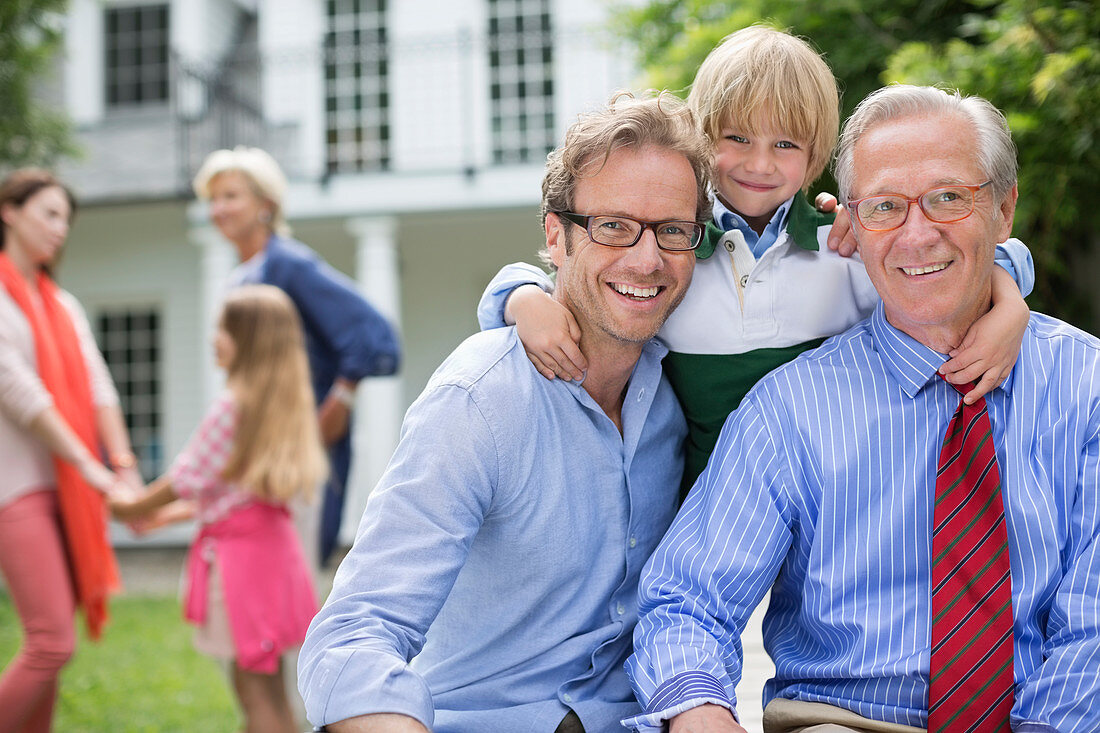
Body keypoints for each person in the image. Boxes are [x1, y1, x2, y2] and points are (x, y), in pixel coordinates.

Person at [625, 84, 1100, 733]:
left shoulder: (1087, 385)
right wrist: (701, 711)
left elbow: (1093, 622)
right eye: (884, 206)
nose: (917, 233)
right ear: (850, 222)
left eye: (948, 198)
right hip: (844, 721)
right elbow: (686, 602)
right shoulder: (789, 409)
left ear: (1003, 207)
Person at [297, 93, 712, 733]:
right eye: (613, 226)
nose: (646, 257)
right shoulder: (479, 400)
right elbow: (358, 628)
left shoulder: (675, 392)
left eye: (672, 231)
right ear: (556, 234)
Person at [477, 26, 1034, 494]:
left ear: (815, 152)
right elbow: (571, 280)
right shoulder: (669, 253)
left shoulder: (846, 242)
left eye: (785, 145)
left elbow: (971, 255)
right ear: (701, 137)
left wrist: (1009, 309)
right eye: (736, 138)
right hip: (704, 525)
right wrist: (523, 299)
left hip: (837, 517)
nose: (759, 163)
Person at [110, 284, 327, 733]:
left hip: (244, 569)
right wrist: (160, 520)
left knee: (254, 695)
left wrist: (131, 506)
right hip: (273, 556)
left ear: (248, 338)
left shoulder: (232, 407)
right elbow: (231, 496)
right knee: (271, 692)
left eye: (222, 329)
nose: (214, 339)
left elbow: (186, 479)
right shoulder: (279, 407)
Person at [192, 147, 400, 566]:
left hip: (305, 445)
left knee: (294, 571)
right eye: (213, 199)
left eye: (231, 196)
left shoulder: (288, 265)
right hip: (265, 445)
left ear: (265, 205)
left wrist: (340, 400)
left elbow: (374, 334)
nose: (219, 209)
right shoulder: (241, 277)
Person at [0, 168, 141, 732]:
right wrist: (88, 465)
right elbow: (20, 393)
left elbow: (99, 386)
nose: (61, 229)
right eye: (49, 214)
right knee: (51, 642)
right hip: (16, 486)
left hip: (64, 490)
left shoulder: (63, 305)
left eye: (67, 220)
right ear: (10, 211)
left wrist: (123, 465)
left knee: (51, 656)